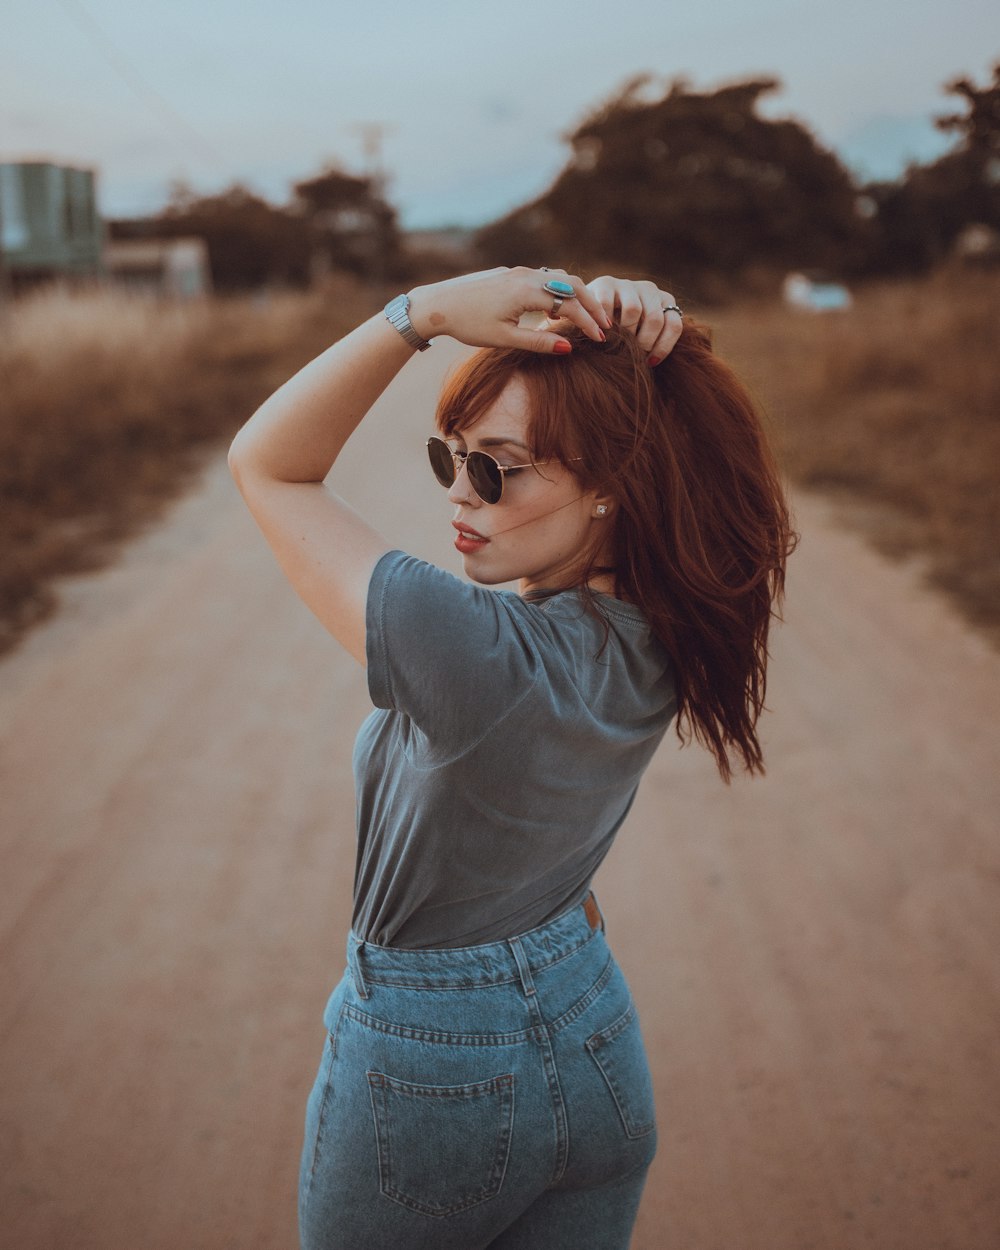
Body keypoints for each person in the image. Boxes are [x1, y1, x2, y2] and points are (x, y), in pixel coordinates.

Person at [228, 266, 795, 1249]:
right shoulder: (663, 627)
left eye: (499, 468)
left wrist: (422, 314)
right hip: (592, 1030)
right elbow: (653, 428)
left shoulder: (471, 652)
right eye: (451, 457)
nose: (461, 493)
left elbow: (267, 462)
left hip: (433, 1064)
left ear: (613, 489)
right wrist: (624, 320)